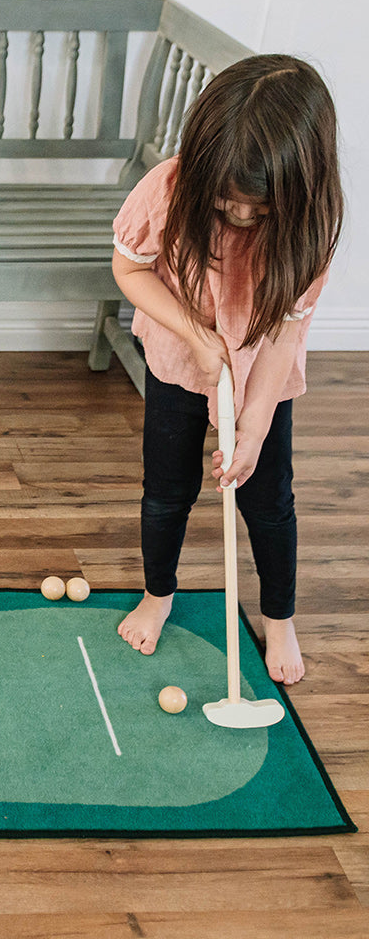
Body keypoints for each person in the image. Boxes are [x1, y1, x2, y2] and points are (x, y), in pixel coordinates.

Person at [112, 54, 343, 686]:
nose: (239, 217)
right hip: (176, 364)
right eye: (225, 202)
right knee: (166, 492)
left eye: (257, 210)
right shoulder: (166, 188)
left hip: (264, 371)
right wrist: (195, 331)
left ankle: (279, 616)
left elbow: (285, 329)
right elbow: (129, 268)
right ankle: (158, 595)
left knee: (269, 503)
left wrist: (256, 423)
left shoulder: (309, 225)